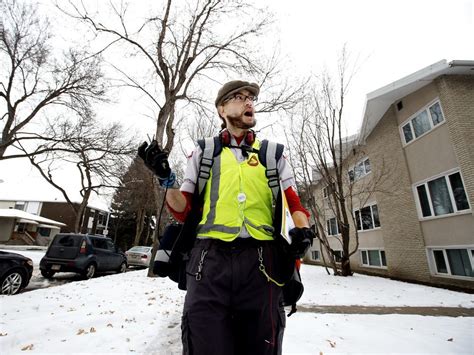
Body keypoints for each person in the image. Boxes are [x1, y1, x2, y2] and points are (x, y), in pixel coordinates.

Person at [139, 80, 315, 355]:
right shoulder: (204, 151)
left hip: (262, 265)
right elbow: (182, 209)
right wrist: (166, 179)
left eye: (251, 99)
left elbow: (294, 204)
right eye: (239, 97)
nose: (249, 103)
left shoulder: (274, 154)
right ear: (222, 109)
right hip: (209, 264)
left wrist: (303, 232)